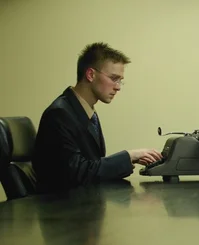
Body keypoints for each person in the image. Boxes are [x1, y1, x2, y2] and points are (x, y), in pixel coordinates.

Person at [33, 42, 163, 194]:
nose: (118, 87)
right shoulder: (59, 114)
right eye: (114, 78)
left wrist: (128, 159)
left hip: (84, 205)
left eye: (120, 80)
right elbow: (77, 172)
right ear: (90, 75)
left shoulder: (85, 111)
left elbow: (91, 165)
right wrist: (128, 155)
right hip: (63, 211)